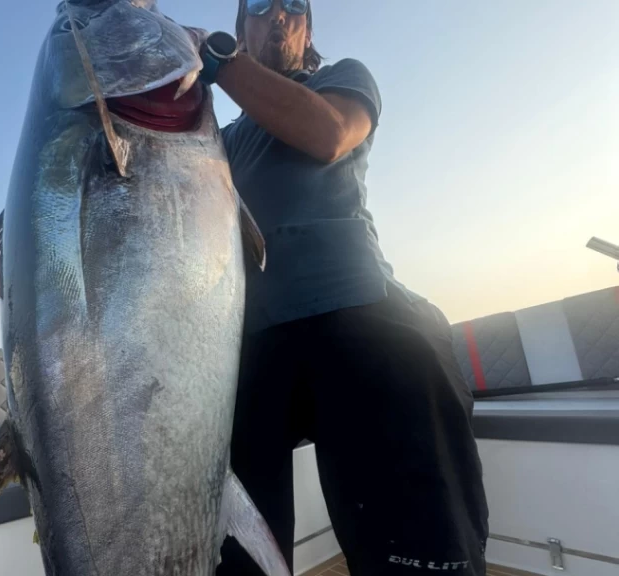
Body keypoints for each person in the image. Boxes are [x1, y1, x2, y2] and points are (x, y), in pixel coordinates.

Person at [195, 1, 490, 574]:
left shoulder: (343, 80)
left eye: (293, 7)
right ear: (243, 29)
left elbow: (328, 135)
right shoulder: (221, 141)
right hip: (249, 345)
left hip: (357, 316)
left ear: (308, 31)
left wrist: (217, 60)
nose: (277, 15)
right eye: (259, 5)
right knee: (239, 552)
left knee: (417, 546)